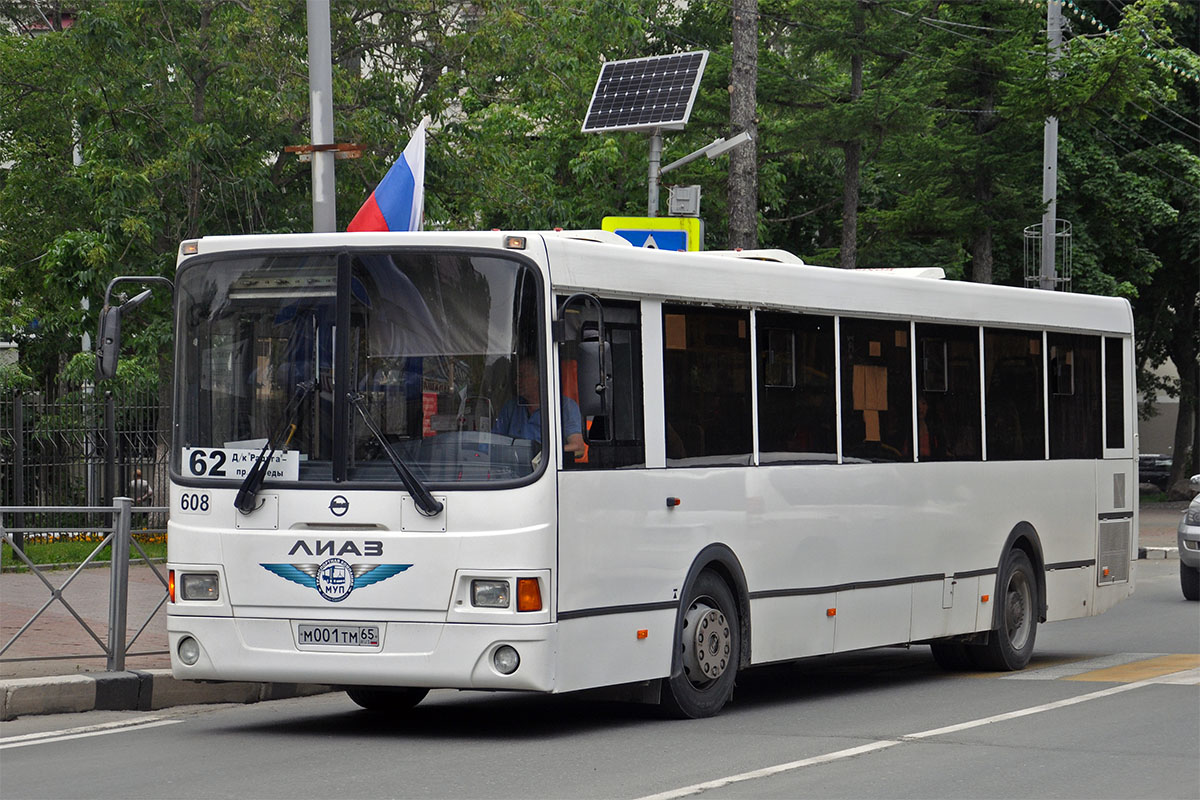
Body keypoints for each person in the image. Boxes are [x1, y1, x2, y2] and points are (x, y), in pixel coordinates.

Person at [493, 359, 586, 457]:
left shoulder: (564, 406)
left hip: (546, 468)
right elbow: (495, 441)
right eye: (516, 377)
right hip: (513, 466)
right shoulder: (511, 406)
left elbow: (578, 448)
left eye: (522, 376)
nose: (517, 382)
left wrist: (542, 455)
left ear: (538, 378)